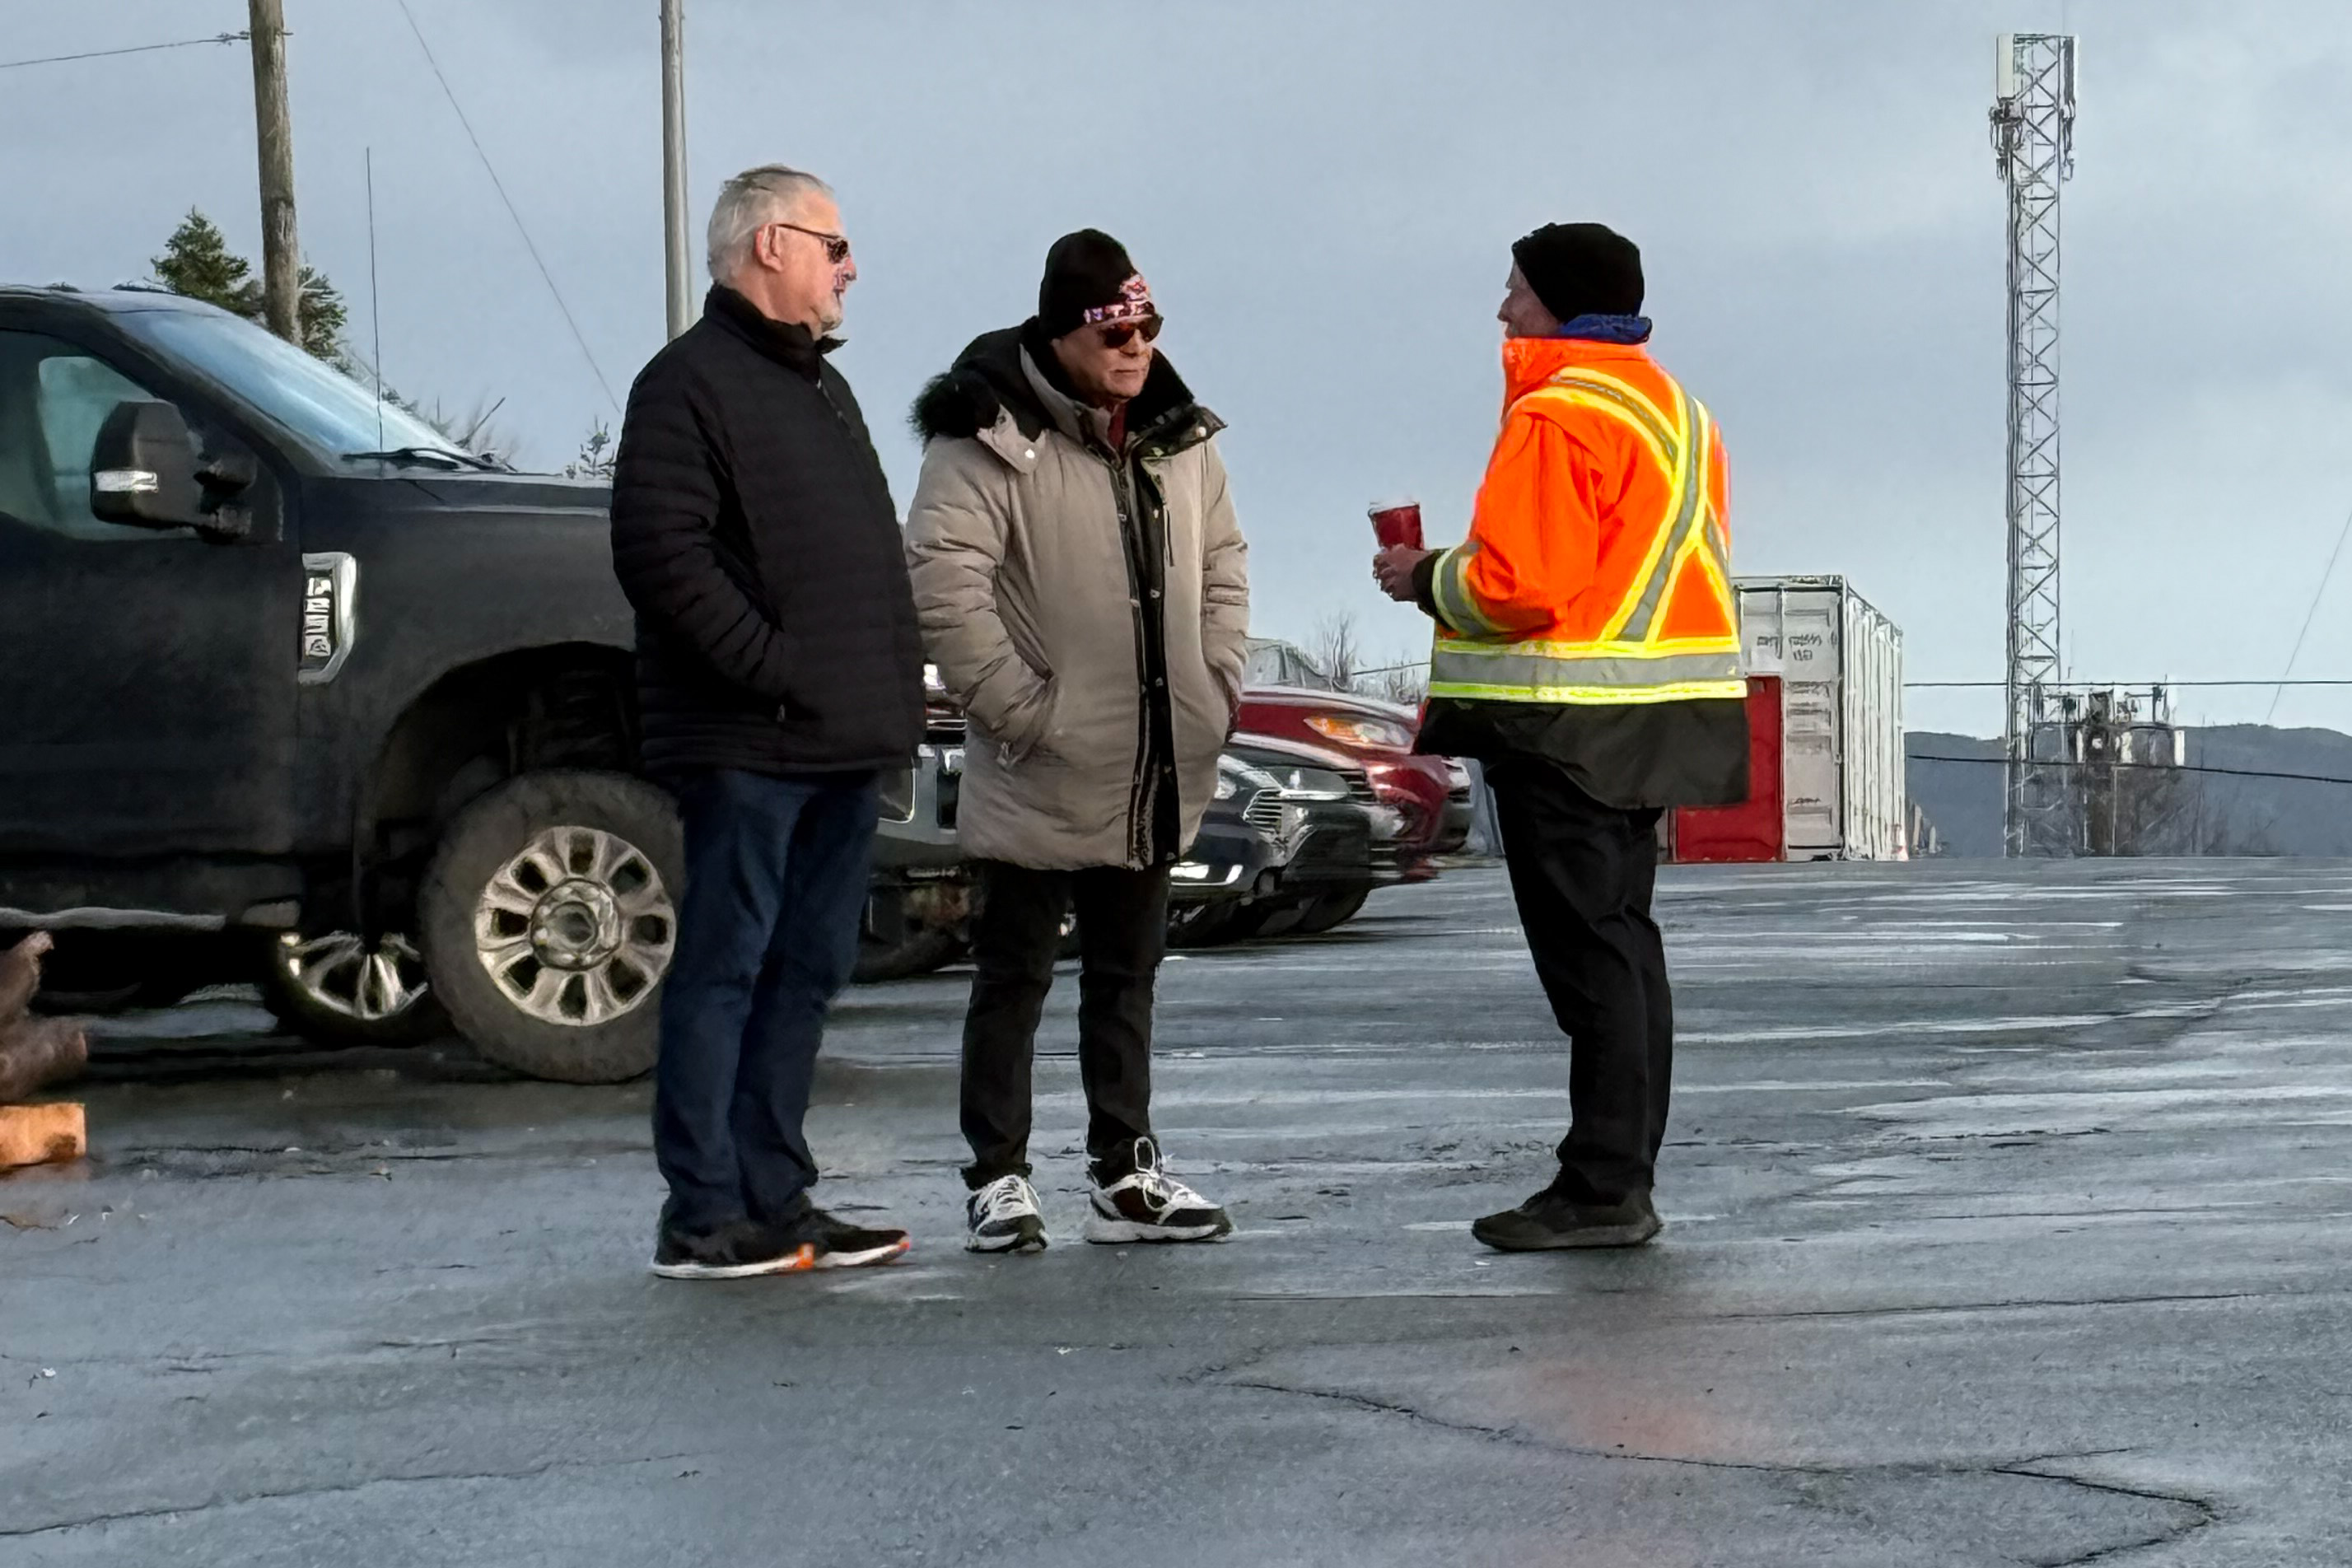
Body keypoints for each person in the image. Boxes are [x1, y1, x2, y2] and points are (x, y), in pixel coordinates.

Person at [1374, 222, 1749, 1251]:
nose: (1503, 310)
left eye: (1516, 292)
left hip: (1566, 725)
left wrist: (1427, 577)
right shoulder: (1676, 410)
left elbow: (1524, 584)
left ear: (1561, 305)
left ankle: (1601, 1188)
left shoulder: (1558, 411)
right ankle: (1618, 1173)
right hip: (1656, 718)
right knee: (1627, 950)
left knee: (1590, 960)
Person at [905, 230, 1249, 1253]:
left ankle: (1125, 1168)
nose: (1134, 347)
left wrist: (1214, 682)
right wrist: (1020, 708)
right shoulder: (983, 438)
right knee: (1012, 974)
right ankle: (998, 1175)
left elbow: (1225, 562)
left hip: (1155, 755)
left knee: (1128, 972)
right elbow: (944, 582)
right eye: (1113, 332)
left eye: (1147, 326)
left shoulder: (1182, 438)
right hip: (1041, 759)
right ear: (1061, 336)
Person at [609, 165, 925, 1279]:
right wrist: (777, 671)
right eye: (834, 245)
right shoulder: (686, 387)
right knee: (727, 967)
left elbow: (867, 566)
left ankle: (777, 1196)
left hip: (841, 743)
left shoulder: (819, 389)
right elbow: (664, 559)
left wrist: (893, 686)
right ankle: (702, 1215)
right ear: (769, 246)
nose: (849, 268)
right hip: (748, 743)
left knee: (806, 970)